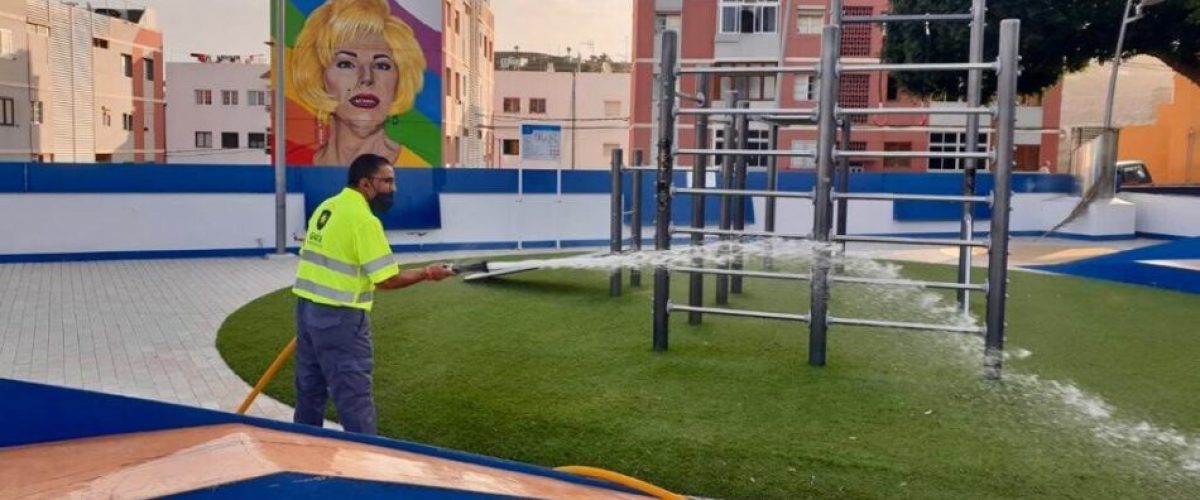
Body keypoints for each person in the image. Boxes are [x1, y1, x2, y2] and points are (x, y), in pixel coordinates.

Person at [292, 153, 453, 434]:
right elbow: (387, 279)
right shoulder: (364, 220)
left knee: (309, 389)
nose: (393, 189)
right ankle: (366, 464)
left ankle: (303, 452)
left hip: (307, 312)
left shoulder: (327, 207)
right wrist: (427, 273)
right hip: (340, 318)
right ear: (365, 183)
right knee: (354, 397)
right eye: (387, 181)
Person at [288, 0, 426, 166]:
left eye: (382, 65)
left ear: (400, 80)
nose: (366, 78)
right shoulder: (291, 166)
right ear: (318, 76)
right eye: (346, 64)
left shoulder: (418, 167)